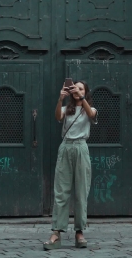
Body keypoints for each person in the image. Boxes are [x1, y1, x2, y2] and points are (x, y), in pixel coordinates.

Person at [43, 79, 98, 250]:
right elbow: (57, 116)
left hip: (81, 148)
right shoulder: (68, 110)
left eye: (80, 88)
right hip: (66, 147)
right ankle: (56, 232)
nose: (76, 89)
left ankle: (79, 232)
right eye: (75, 87)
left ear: (85, 92)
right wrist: (60, 99)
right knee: (61, 191)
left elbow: (92, 115)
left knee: (81, 191)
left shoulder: (90, 108)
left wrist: (82, 98)